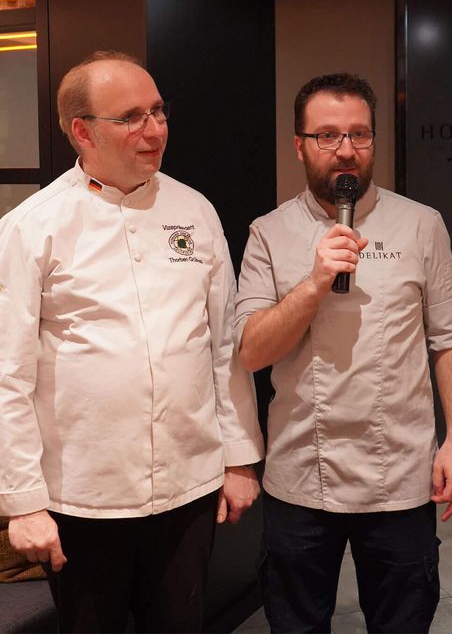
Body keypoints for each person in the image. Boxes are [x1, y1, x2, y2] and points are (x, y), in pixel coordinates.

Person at [0, 51, 264, 633]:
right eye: (132, 117)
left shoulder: (194, 210)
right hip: (83, 495)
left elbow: (224, 344)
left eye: (159, 111)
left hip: (188, 483)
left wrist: (240, 457)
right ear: (82, 130)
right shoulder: (31, 227)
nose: (155, 129)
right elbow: (7, 376)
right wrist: (22, 501)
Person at [234, 73, 452, 634]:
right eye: (326, 135)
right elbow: (250, 352)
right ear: (299, 144)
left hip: (401, 476)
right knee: (296, 624)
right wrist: (316, 282)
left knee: (403, 622)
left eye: (359, 135)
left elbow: (451, 338)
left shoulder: (422, 224)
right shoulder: (268, 233)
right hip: (300, 475)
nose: (345, 149)